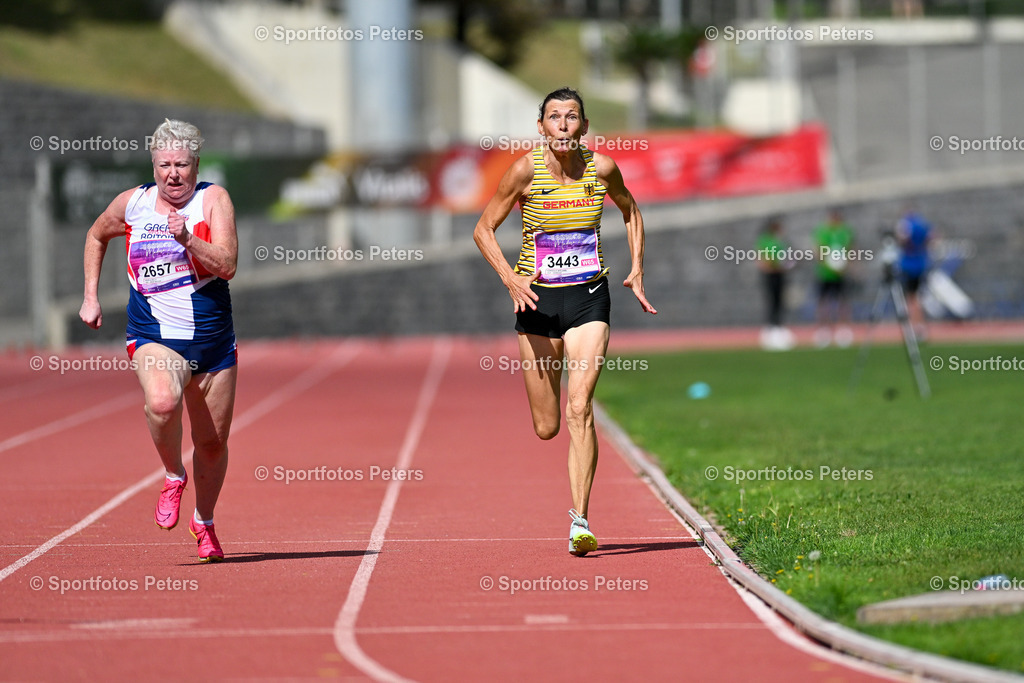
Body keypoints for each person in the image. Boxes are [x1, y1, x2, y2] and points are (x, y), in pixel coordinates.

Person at [473, 87, 657, 556]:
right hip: (536, 301)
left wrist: (637, 267)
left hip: (589, 297)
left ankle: (580, 521)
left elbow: (631, 210)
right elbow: (483, 228)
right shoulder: (523, 171)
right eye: (553, 116)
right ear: (541, 127)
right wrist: (510, 279)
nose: (562, 124)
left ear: (584, 126)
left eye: (571, 116)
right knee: (547, 425)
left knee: (580, 406)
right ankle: (574, 499)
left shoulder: (602, 169)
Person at [80, 119, 238, 563]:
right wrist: (90, 296)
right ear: (153, 165)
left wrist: (187, 239)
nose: (173, 174)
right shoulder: (133, 203)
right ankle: (173, 475)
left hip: (212, 342)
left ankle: (204, 521)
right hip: (154, 335)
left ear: (196, 165)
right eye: (164, 165)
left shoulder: (213, 200)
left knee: (212, 444)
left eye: (181, 165)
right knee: (164, 403)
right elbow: (96, 234)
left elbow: (228, 265)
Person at [813, 208, 855, 348]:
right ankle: (824, 329)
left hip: (840, 273)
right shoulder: (823, 231)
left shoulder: (844, 232)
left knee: (842, 300)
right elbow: (818, 250)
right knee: (823, 300)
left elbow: (850, 249)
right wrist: (828, 265)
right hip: (825, 273)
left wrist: (846, 265)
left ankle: (843, 329)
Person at [756, 216, 794, 351]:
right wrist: (773, 266)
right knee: (772, 302)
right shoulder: (765, 240)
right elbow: (763, 260)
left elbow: (784, 258)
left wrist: (788, 265)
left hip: (780, 275)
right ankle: (771, 329)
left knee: (779, 302)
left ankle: (778, 327)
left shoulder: (780, 241)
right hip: (771, 276)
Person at [896, 207, 932, 338]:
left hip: (909, 265)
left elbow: (903, 239)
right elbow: (930, 237)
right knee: (916, 297)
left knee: (911, 298)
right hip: (920, 263)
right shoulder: (922, 224)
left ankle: (915, 325)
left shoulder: (906, 224)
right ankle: (920, 325)